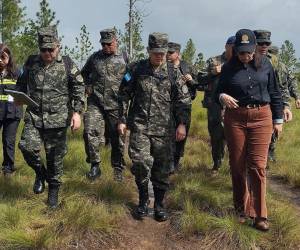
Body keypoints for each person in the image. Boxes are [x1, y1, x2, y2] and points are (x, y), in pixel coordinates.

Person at [118, 33, 191, 221]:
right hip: (140, 127)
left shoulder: (174, 73)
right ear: (148, 50)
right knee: (141, 163)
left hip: (164, 131)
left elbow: (183, 101)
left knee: (162, 169)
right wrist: (122, 119)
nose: (159, 56)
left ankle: (159, 204)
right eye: (156, 52)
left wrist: (182, 124)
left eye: (163, 52)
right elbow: (124, 94)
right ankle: (143, 199)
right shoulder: (135, 69)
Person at [216, 29, 283, 231]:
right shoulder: (228, 68)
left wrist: (278, 119)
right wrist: (221, 97)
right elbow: (217, 92)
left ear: (255, 48)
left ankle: (260, 214)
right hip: (235, 118)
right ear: (235, 49)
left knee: (257, 166)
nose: (245, 56)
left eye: (249, 52)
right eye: (241, 52)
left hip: (262, 117)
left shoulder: (266, 65)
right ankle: (240, 210)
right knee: (237, 166)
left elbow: (275, 92)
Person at [16, 26, 85, 208]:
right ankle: (40, 173)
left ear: (58, 46)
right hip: (34, 116)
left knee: (55, 157)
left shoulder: (68, 64)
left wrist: (77, 112)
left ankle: (53, 191)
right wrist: (18, 97)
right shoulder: (31, 62)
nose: (47, 53)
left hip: (58, 119)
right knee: (26, 147)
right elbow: (20, 85)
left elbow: (79, 88)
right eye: (43, 50)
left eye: (50, 49)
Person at [81, 28, 127, 182]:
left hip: (116, 105)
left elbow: (131, 78)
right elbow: (83, 74)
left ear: (116, 42)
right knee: (89, 131)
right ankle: (95, 165)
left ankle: (118, 168)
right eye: (104, 44)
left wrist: (127, 93)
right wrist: (87, 85)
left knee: (117, 139)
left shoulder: (124, 58)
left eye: (109, 44)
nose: (106, 47)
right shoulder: (95, 58)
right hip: (96, 103)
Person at [197, 36, 235, 173]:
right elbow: (199, 79)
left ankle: (234, 167)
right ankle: (217, 165)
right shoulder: (214, 61)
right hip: (215, 105)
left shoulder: (241, 62)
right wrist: (214, 72)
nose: (235, 49)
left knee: (235, 136)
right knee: (216, 136)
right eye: (233, 46)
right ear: (226, 46)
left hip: (234, 105)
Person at [253, 30, 291, 162]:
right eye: (261, 43)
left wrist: (286, 105)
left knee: (270, 134)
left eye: (267, 43)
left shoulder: (274, 63)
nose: (264, 46)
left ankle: (268, 153)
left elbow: (282, 86)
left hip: (269, 104)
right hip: (247, 108)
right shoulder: (243, 58)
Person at [166, 41, 196, 170]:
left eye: (171, 52)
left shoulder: (187, 67)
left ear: (178, 54)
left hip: (184, 105)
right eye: (167, 52)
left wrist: (191, 80)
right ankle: (169, 162)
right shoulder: (164, 67)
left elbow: (198, 85)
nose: (168, 54)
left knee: (181, 135)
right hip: (168, 105)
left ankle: (177, 160)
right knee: (169, 133)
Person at [0, 44, 23, 176]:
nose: (0, 60)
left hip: (13, 113)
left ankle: (8, 168)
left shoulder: (17, 72)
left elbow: (24, 90)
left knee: (8, 141)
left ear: (9, 57)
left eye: (3, 57)